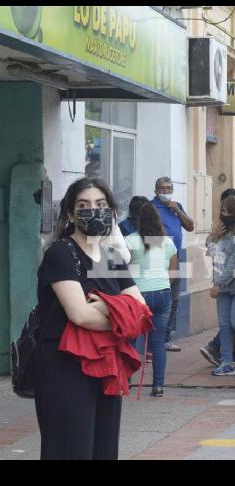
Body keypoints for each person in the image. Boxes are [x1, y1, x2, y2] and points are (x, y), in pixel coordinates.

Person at [35, 177, 147, 459]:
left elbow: (141, 309)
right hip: (65, 368)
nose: (93, 211)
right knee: (71, 450)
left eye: (100, 204)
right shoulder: (61, 253)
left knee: (104, 449)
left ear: (111, 211)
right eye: (83, 205)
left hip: (107, 366)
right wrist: (120, 309)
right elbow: (80, 315)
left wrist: (104, 305)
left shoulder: (112, 256)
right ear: (71, 214)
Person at [125, 202, 178, 397]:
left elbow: (119, 269)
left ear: (138, 221)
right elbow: (173, 272)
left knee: (130, 339)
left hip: (138, 295)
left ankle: (126, 381)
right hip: (163, 292)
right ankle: (158, 386)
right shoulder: (167, 242)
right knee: (158, 343)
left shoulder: (130, 241)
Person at [152, 177, 195, 352]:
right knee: (159, 299)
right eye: (162, 189)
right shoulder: (151, 207)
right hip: (157, 261)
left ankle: (167, 337)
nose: (165, 192)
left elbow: (191, 226)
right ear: (156, 191)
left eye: (168, 188)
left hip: (175, 259)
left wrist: (177, 209)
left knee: (174, 299)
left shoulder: (176, 207)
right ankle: (155, 339)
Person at [206, 195, 235, 376]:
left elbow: (234, 263)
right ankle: (226, 361)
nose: (224, 215)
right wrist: (214, 236)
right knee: (224, 325)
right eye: (223, 211)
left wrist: (219, 284)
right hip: (221, 287)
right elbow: (211, 253)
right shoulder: (221, 233)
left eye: (228, 211)